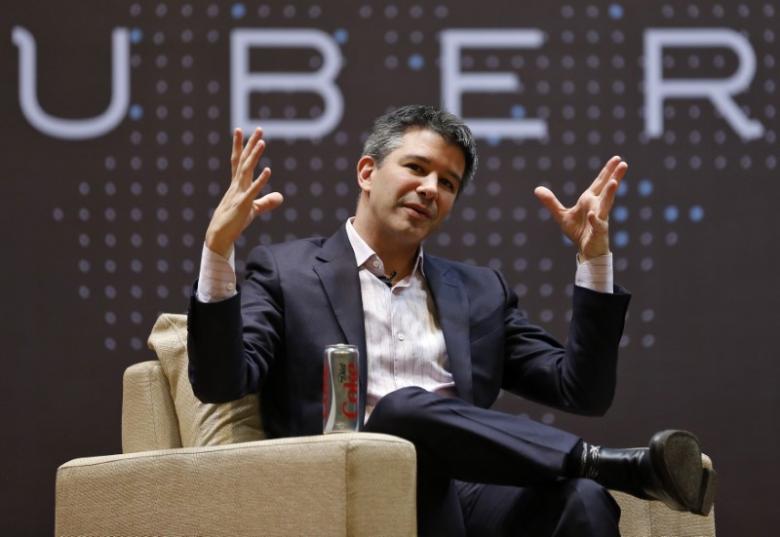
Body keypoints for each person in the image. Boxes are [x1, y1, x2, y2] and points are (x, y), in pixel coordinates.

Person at [187, 105, 715, 536]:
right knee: (403, 407)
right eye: (416, 169)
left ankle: (593, 471)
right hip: (352, 484)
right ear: (368, 172)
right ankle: (604, 461)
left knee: (584, 500)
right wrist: (217, 249)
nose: (431, 189)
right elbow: (221, 380)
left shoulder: (480, 291)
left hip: (467, 494)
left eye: (448, 183)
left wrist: (593, 261)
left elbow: (582, 391)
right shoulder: (286, 271)